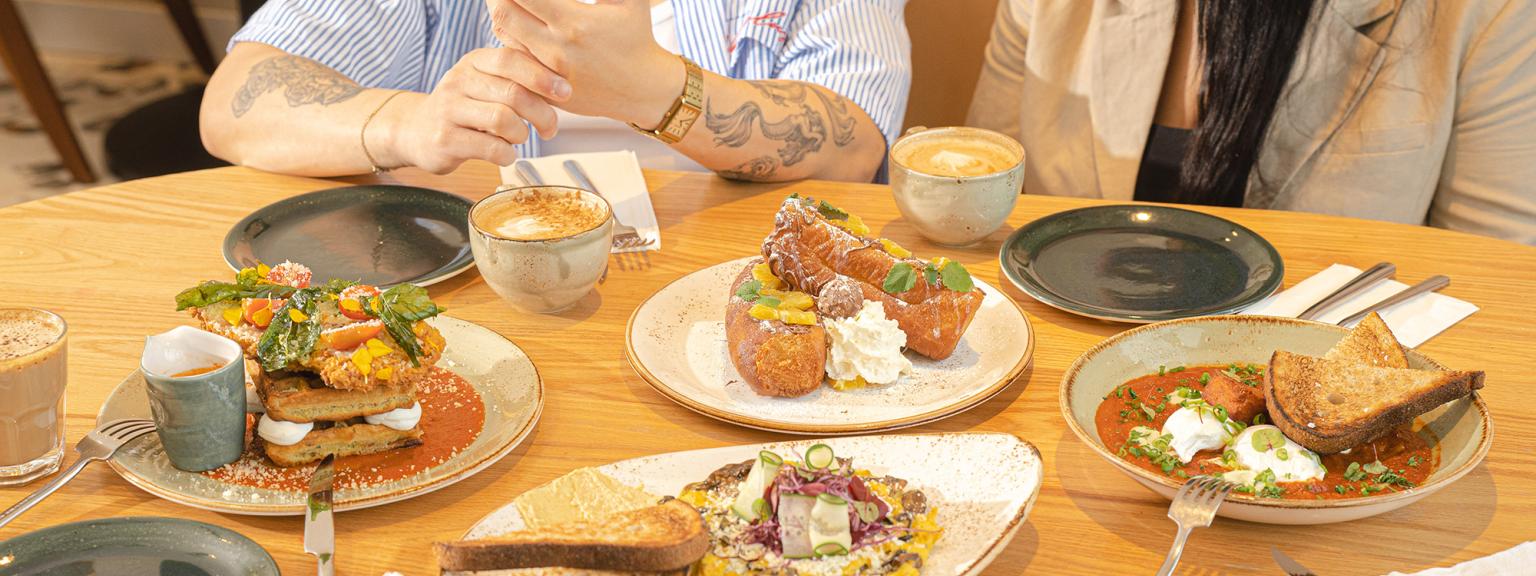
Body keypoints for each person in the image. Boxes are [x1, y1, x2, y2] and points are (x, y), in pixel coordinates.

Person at [968, 0, 1536, 244]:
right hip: (1066, 396)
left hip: (1326, 437)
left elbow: (1493, 279)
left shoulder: (1486, 15)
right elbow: (980, 215)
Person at [200, 1, 911, 183]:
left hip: (738, 294)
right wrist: (411, 124)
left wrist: (658, 92)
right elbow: (236, 100)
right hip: (483, 303)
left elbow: (854, 144)